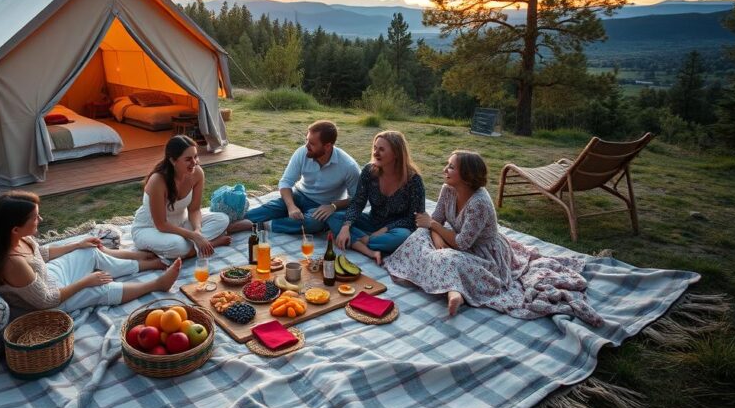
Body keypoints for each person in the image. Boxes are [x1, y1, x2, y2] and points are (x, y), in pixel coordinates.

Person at [383, 151, 602, 326]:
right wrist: (435, 235)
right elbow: (436, 220)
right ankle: (446, 280)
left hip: (483, 254)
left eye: (451, 166)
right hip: (451, 241)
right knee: (419, 235)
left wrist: (434, 227)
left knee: (448, 258)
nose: (444, 170)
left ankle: (454, 292)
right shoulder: (447, 189)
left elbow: (461, 243)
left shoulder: (479, 203)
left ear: (467, 175)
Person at [0, 191, 180, 319]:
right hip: (49, 304)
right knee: (99, 288)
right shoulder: (13, 264)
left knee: (88, 251)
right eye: (34, 217)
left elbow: (43, 253)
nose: (40, 219)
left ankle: (144, 264)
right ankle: (157, 285)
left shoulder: (15, 239)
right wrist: (86, 281)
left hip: (48, 279)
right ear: (15, 228)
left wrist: (76, 244)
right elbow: (47, 301)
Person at [229, 120, 360, 234]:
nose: (306, 146)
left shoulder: (348, 166)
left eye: (312, 143)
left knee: (315, 223)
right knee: (270, 208)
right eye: (306, 140)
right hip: (299, 196)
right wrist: (291, 206)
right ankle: (226, 225)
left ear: (327, 146)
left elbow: (358, 198)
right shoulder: (302, 152)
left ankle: (264, 225)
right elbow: (285, 182)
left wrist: (333, 206)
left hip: (322, 206)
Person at [132, 135, 232, 259]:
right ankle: (211, 244)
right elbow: (161, 225)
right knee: (178, 245)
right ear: (173, 160)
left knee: (222, 219)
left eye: (195, 157)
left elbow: (194, 210)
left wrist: (197, 230)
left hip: (182, 224)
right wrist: (193, 236)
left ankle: (192, 246)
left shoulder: (197, 173)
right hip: (151, 229)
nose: (194, 162)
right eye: (188, 159)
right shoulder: (157, 180)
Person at [334, 131, 425, 265]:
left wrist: (385, 229)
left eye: (381, 149)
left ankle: (356, 241)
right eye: (375, 148)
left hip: (397, 229)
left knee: (402, 237)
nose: (376, 153)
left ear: (396, 154)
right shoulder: (369, 171)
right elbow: (358, 203)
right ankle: (366, 245)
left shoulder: (413, 180)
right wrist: (346, 227)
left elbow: (414, 217)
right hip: (372, 220)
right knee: (334, 217)